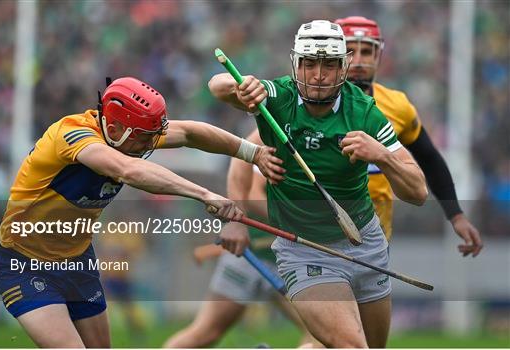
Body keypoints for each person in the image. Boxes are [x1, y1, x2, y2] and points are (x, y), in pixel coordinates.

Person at [0, 76, 284, 348]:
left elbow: (192, 133)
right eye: (144, 139)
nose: (149, 145)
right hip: (23, 263)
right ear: (114, 129)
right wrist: (204, 194)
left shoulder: (133, 133)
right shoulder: (72, 136)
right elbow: (127, 170)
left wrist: (252, 152)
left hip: (77, 261)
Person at [209, 20, 428, 348]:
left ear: (344, 67)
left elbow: (419, 192)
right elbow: (217, 84)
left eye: (329, 64)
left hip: (364, 242)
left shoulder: (364, 112)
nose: (318, 74)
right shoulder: (277, 97)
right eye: (309, 63)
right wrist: (240, 87)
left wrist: (381, 155)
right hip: (304, 249)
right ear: (296, 63)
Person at [334, 15, 483, 255]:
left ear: (379, 56)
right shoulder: (311, 103)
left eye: (367, 52)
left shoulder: (397, 106)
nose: (359, 61)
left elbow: (429, 159)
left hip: (374, 244)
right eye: (349, 51)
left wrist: (456, 216)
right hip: (320, 240)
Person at [164, 129, 314, 348]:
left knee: (321, 335)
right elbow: (252, 195)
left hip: (290, 263)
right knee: (205, 333)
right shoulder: (277, 137)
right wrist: (297, 223)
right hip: (248, 255)